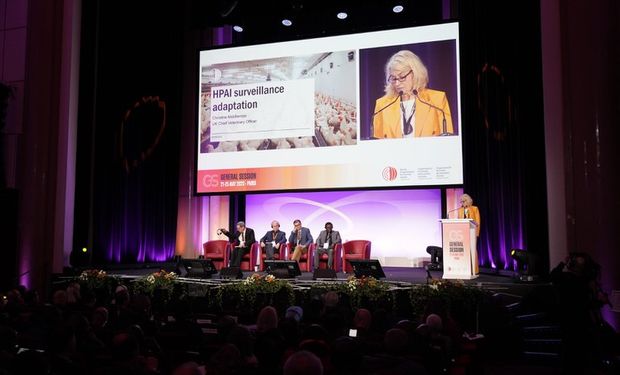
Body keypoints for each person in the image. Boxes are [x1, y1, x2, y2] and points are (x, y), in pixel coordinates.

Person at [373, 50, 454, 138]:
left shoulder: (437, 100)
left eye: (402, 77)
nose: (397, 83)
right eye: (393, 78)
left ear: (415, 73)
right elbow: (377, 143)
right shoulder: (382, 105)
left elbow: (447, 139)